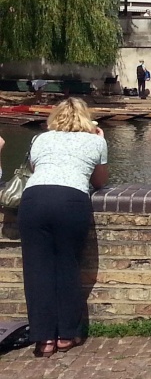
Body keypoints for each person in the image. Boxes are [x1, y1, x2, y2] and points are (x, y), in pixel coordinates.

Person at [19, 98, 108, 357]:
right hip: (71, 201)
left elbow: (37, 169)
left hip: (34, 199)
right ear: (86, 118)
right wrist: (98, 140)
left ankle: (43, 339)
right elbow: (100, 181)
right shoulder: (96, 140)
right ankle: (67, 335)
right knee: (68, 266)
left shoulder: (40, 140)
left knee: (37, 271)